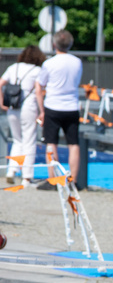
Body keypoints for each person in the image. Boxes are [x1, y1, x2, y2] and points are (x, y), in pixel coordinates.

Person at [35, 30, 83, 186]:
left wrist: (41, 111)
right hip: (72, 106)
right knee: (73, 144)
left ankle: (54, 180)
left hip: (53, 106)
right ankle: (73, 180)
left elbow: (39, 85)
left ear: (54, 44)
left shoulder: (49, 63)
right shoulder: (77, 62)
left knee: (51, 143)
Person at [0, 46, 46, 187]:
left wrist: (2, 102)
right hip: (28, 107)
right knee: (29, 141)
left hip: (12, 107)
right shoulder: (37, 71)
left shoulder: (14, 67)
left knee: (17, 140)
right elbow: (38, 90)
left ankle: (11, 171)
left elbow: (0, 83)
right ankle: (27, 177)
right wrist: (42, 110)